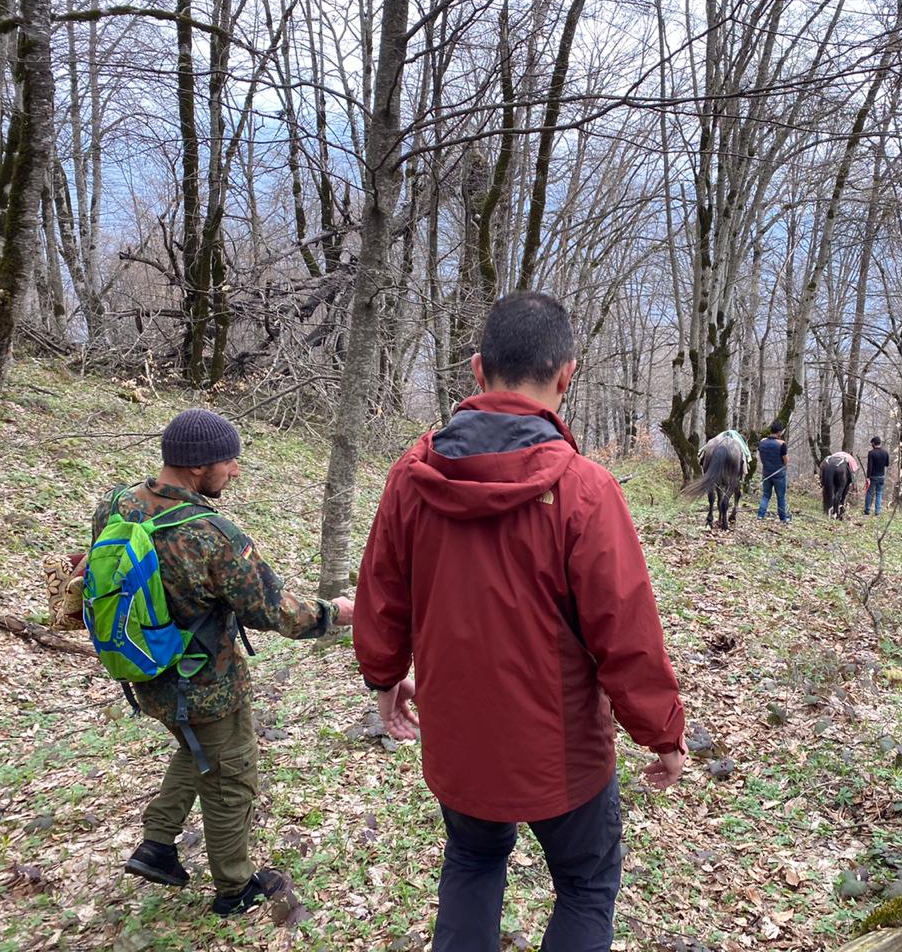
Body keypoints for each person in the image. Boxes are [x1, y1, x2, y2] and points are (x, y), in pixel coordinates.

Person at [353, 291, 687, 952]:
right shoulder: (586, 492)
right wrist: (663, 732)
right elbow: (626, 635)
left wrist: (385, 676)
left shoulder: (411, 480)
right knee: (587, 887)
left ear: (478, 370)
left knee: (473, 862)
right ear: (567, 375)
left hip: (457, 742)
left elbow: (382, 596)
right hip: (560, 755)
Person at [96, 408, 354, 915]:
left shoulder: (118, 504)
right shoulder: (212, 534)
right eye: (229, 461)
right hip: (207, 682)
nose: (234, 471)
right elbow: (271, 609)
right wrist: (336, 613)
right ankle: (235, 888)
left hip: (147, 673)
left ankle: (157, 844)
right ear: (198, 466)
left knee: (195, 748)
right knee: (230, 777)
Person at [757, 421, 790, 522]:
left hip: (766, 473)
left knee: (766, 495)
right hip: (779, 474)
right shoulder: (781, 444)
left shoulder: (762, 441)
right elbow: (786, 461)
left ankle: (760, 515)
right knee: (781, 496)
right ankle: (783, 518)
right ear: (779, 432)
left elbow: (760, 456)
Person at [864, 436, 890, 516]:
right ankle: (877, 512)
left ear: (873, 443)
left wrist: (868, 477)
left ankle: (867, 510)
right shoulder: (885, 452)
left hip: (873, 476)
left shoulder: (871, 453)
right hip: (881, 476)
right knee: (879, 493)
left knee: (869, 493)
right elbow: (887, 464)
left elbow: (870, 466)